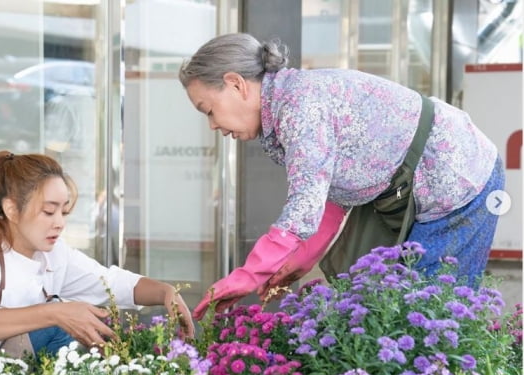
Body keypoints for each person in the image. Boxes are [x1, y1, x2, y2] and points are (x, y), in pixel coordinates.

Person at [180, 33, 504, 320]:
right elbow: (331, 196)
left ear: (236, 83)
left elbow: (305, 203)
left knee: (431, 317)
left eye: (208, 109)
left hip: (461, 182)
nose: (212, 125)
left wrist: (249, 274)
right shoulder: (289, 102)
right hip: (428, 188)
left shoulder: (299, 106)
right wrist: (298, 261)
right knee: (397, 312)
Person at [0, 151, 194, 360]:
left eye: (64, 211)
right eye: (49, 211)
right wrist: (55, 313)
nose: (59, 222)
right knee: (60, 324)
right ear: (11, 210)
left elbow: (110, 283)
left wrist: (165, 292)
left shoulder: (53, 255)